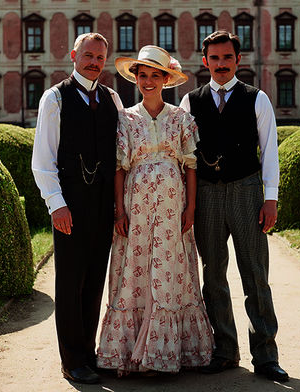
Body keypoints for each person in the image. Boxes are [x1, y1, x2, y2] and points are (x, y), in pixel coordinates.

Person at [96, 45, 214, 375]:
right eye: (143, 75)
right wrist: (119, 211)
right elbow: (120, 167)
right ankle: (131, 353)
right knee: (134, 268)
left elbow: (191, 165)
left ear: (166, 79)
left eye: (155, 76)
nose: (148, 81)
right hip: (135, 208)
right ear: (136, 79)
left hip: (171, 209)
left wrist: (190, 208)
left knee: (170, 270)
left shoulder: (181, 118)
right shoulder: (125, 119)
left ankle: (166, 353)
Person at [179, 30, 289, 382]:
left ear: (238, 60)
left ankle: (266, 355)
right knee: (213, 276)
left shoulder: (257, 99)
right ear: (205, 61)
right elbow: (184, 157)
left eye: (227, 58)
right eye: (214, 58)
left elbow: (269, 151)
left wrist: (269, 199)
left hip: (246, 191)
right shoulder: (189, 102)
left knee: (256, 275)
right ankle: (224, 350)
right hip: (207, 195)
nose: (221, 64)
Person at [32, 32, 123, 385]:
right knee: (70, 282)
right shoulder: (55, 98)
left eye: (100, 57)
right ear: (74, 54)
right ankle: (71, 360)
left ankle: (88, 352)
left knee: (95, 280)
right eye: (88, 55)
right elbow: (42, 160)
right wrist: (56, 205)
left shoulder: (112, 98)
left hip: (102, 203)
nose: (94, 62)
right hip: (69, 203)